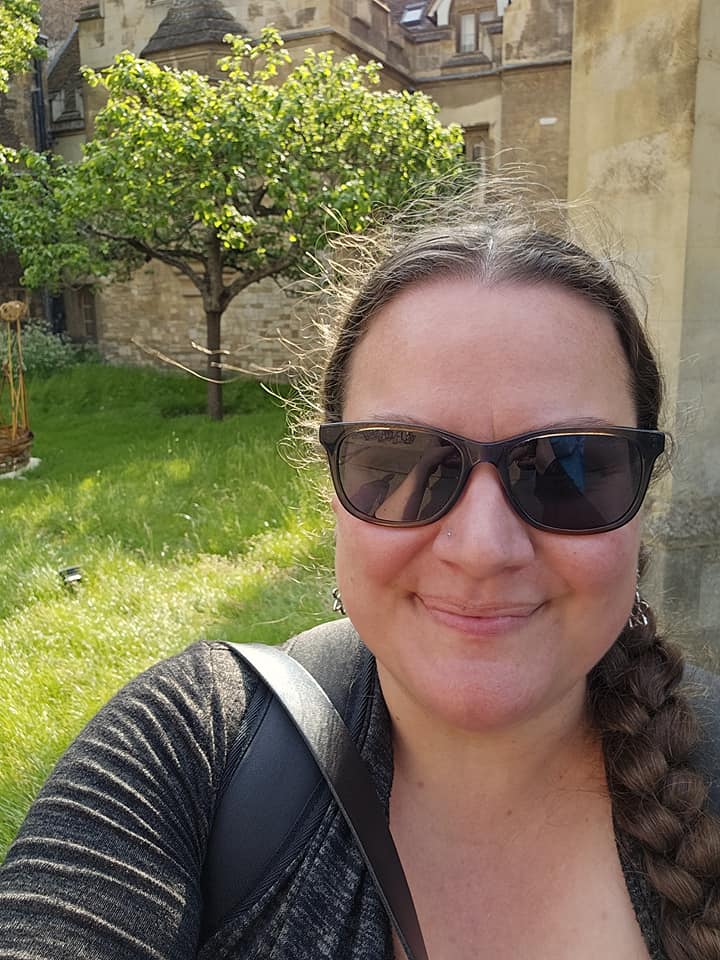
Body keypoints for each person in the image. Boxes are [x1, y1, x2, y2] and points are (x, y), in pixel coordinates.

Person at [1, 192, 720, 960]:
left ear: (642, 496)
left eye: (567, 467)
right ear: (334, 493)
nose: (482, 548)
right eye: (401, 460)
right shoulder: (192, 749)